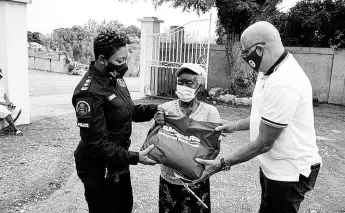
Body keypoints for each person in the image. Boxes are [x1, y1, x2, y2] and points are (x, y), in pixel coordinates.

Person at [193, 21, 322, 213]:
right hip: (274, 166)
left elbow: (264, 143)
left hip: (289, 173)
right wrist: (234, 126)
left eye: (245, 52)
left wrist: (221, 164)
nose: (244, 57)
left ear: (260, 49)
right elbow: (263, 116)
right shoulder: (269, 71)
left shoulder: (284, 81)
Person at [72, 30, 158, 213]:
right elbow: (97, 145)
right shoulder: (89, 93)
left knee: (124, 206)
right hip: (99, 166)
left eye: (126, 59)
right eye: (120, 61)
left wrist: (156, 110)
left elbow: (127, 111)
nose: (125, 65)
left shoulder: (115, 79)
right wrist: (136, 157)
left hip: (118, 159)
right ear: (102, 60)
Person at [154, 63, 222, 213]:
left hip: (196, 181)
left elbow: (215, 147)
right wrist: (157, 124)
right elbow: (157, 141)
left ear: (199, 85)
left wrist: (193, 167)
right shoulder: (165, 109)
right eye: (180, 82)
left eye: (189, 82)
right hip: (168, 178)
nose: (184, 86)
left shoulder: (210, 112)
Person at [0, 68, 23, 136]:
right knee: (6, 112)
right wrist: (4, 103)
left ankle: (10, 125)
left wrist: (9, 102)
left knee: (17, 110)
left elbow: (5, 95)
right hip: (1, 105)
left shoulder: (0, 84)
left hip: (4, 103)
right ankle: (15, 129)